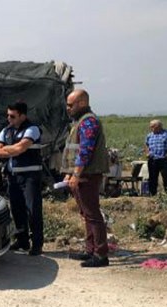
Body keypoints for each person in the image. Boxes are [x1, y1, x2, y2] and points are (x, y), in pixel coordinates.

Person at [61, 89, 110, 267]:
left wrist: (76, 174)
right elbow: (74, 151)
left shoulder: (88, 121)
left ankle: (101, 254)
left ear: (82, 103)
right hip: (82, 174)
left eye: (70, 104)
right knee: (87, 214)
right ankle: (90, 250)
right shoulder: (79, 122)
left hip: (87, 175)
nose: (68, 108)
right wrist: (69, 172)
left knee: (93, 214)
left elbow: (85, 152)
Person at [0, 101, 44, 256]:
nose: (9, 119)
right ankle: (22, 241)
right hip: (13, 177)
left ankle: (37, 243)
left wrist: (8, 149)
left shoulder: (32, 129)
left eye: (13, 116)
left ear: (22, 115)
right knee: (17, 210)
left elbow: (20, 148)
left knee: (32, 210)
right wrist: (12, 150)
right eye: (8, 115)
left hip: (30, 177)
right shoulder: (6, 131)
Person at [144, 119, 167, 195]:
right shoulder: (150, 135)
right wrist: (147, 153)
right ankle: (153, 195)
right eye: (150, 127)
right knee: (152, 179)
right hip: (153, 160)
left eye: (152, 127)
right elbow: (146, 144)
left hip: (165, 159)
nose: (151, 128)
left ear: (159, 126)